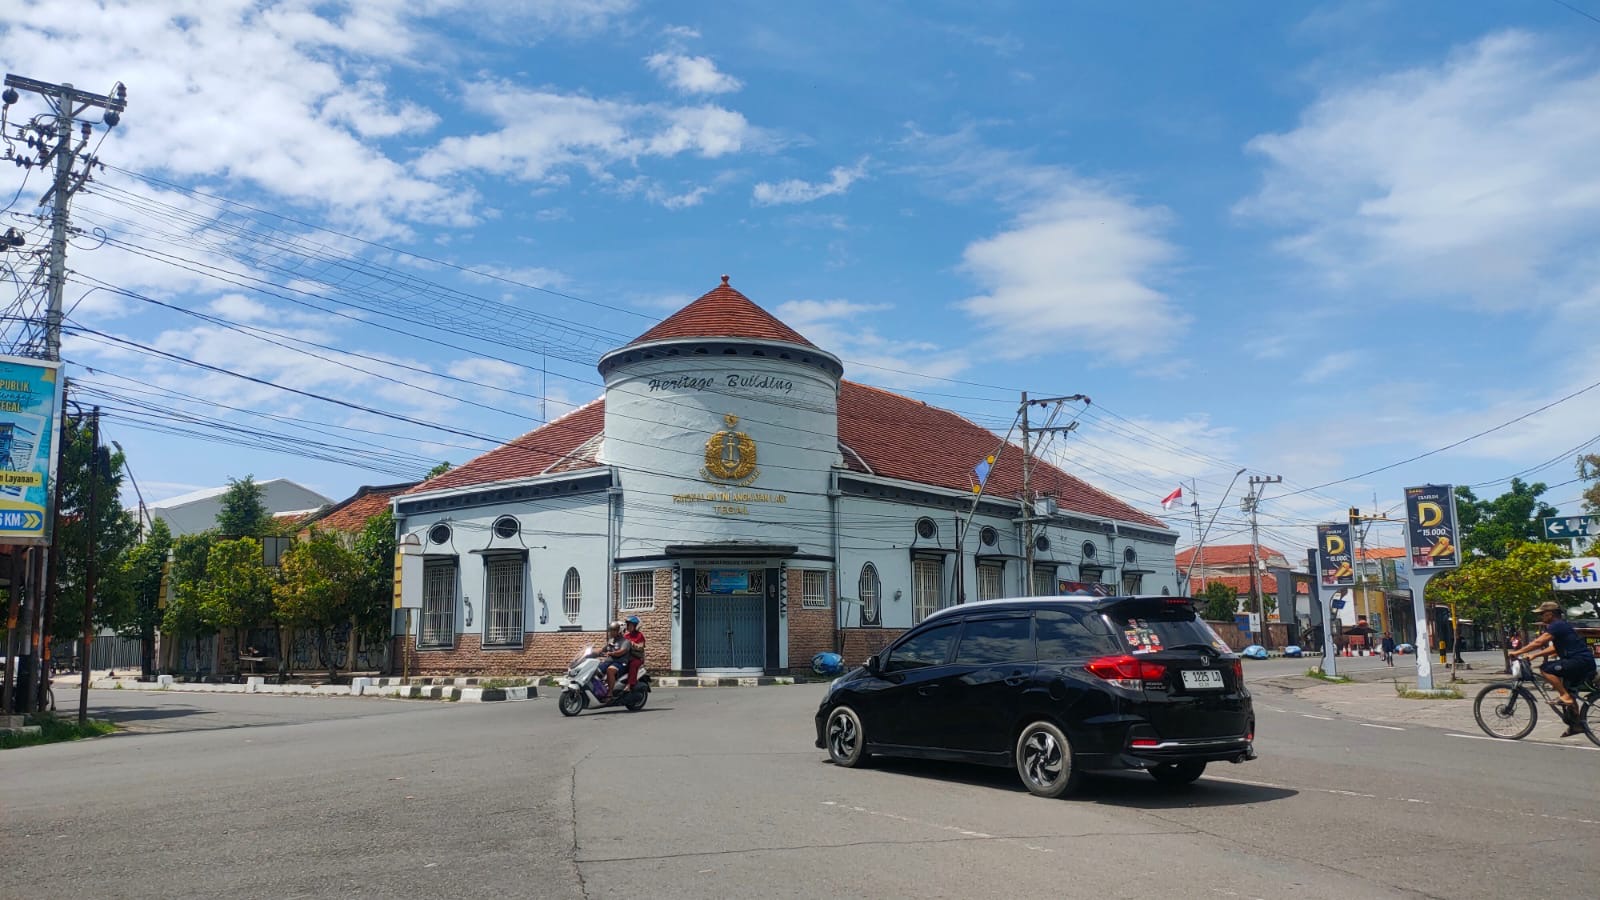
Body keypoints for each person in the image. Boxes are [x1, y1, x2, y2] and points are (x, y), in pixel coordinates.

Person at [1509, 601, 1597, 737]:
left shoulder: (1556, 625)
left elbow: (1539, 642)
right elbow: (1555, 648)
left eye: (1542, 614)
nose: (1540, 617)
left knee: (1545, 669)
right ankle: (1576, 725)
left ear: (1550, 614)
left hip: (1577, 662)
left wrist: (1517, 652)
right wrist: (1535, 655)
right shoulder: (1562, 626)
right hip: (1583, 662)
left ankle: (1565, 696)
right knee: (1569, 690)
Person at [597, 622, 628, 700]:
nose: (611, 632)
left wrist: (612, 653)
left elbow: (622, 651)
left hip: (620, 663)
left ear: (619, 631)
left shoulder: (625, 642)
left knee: (610, 670)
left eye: (613, 630)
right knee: (596, 670)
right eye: (610, 630)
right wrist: (590, 653)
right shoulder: (611, 641)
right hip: (609, 661)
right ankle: (598, 689)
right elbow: (602, 650)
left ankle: (610, 693)